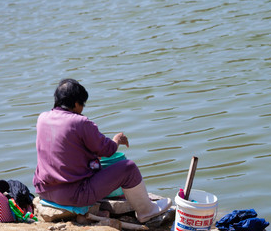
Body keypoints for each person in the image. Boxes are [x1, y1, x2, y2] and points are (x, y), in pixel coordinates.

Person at [33, 78, 171, 223]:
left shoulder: (42, 118)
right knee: (128, 168)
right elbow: (107, 149)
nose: (82, 109)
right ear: (75, 103)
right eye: (82, 104)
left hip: (45, 191)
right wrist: (117, 140)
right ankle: (146, 211)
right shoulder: (80, 122)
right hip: (74, 195)